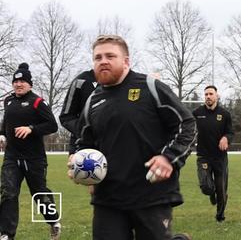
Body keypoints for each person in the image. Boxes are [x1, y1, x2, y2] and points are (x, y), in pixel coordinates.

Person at [73, 35, 196, 240]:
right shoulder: (92, 101)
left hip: (151, 195)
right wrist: (78, 161)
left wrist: (169, 158)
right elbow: (83, 141)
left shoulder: (151, 87)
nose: (103, 61)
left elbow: (187, 124)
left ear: (126, 61)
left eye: (110, 56)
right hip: (108, 198)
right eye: (97, 57)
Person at [0, 63, 60, 240]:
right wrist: (2, 134)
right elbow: (6, 123)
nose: (18, 84)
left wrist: (31, 129)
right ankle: (6, 234)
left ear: (30, 84)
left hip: (34, 159)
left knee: (39, 194)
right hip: (12, 157)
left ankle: (53, 221)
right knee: (8, 193)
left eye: (22, 81)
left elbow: (52, 125)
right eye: (16, 81)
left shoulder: (37, 102)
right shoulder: (8, 101)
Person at [192, 85, 234, 222]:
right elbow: (187, 126)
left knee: (221, 190)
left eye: (210, 94)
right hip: (203, 156)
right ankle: (211, 193)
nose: (208, 96)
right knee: (206, 187)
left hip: (220, 158)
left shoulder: (225, 114)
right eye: (206, 94)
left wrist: (225, 138)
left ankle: (220, 216)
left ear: (217, 96)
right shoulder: (197, 113)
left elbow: (230, 132)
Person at [59, 69, 96, 155]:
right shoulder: (81, 81)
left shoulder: (131, 82)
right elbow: (66, 117)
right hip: (83, 148)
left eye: (110, 56)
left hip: (117, 148)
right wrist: (86, 132)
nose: (104, 61)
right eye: (99, 57)